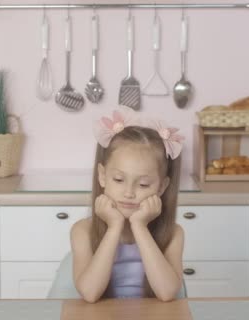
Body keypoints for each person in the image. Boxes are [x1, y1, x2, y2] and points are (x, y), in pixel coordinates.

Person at [70, 106, 185, 303]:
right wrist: (113, 228)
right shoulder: (82, 231)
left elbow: (166, 293)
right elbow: (89, 293)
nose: (129, 193)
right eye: (118, 180)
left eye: (143, 184)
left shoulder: (173, 233)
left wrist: (140, 227)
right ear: (102, 176)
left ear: (161, 186)